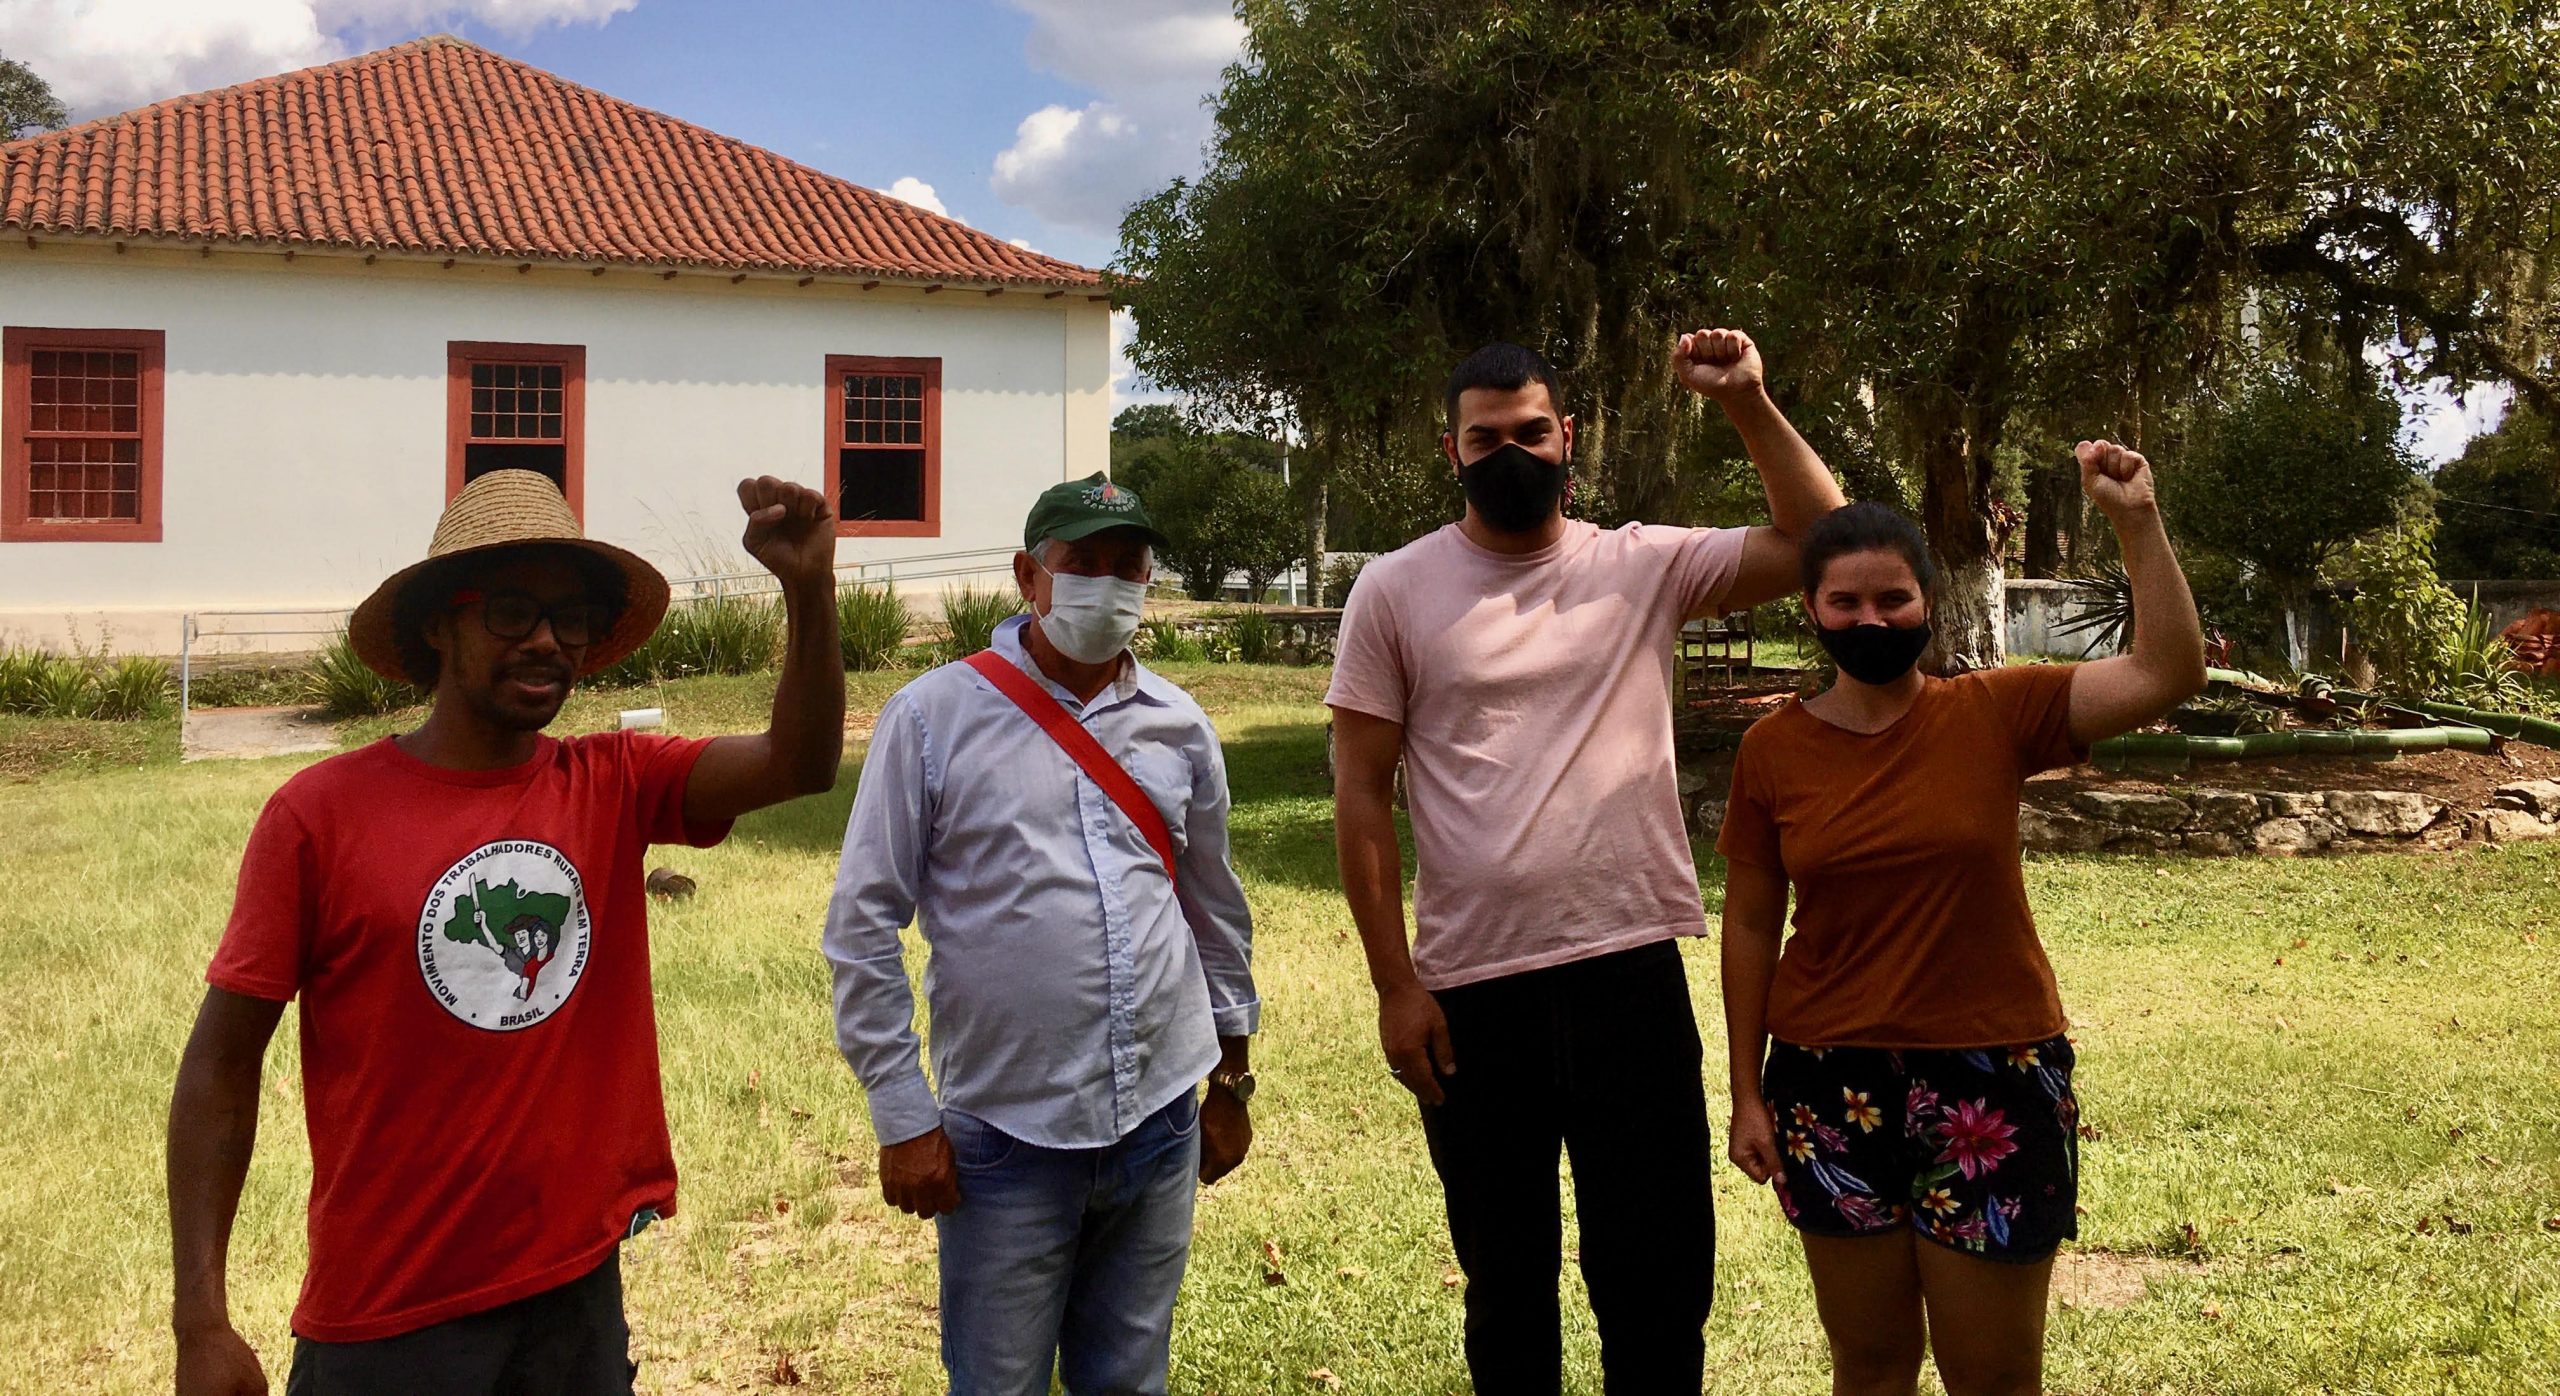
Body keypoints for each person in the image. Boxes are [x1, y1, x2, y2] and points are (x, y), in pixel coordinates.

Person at [168, 468, 847, 1396]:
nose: (547, 642)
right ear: (438, 624)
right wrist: (200, 1319)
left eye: (573, 621)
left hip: (572, 1298)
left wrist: (808, 589)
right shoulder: (318, 816)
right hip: (390, 1319)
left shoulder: (613, 782)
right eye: (514, 610)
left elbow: (799, 763)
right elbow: (220, 1062)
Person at [1328, 330, 1847, 1393]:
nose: (1511, 452)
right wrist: (1395, 987)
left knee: (1656, 1282)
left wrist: (1747, 399)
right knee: (1506, 1285)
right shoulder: (1392, 590)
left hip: (1627, 974)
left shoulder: (1639, 564)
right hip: (1473, 993)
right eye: (1486, 438)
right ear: (1451, 449)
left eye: (1532, 432)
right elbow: (1360, 800)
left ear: (1569, 439)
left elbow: (1828, 539)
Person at [1716, 442, 2207, 1396]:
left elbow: (2166, 671)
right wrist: (1745, 1091)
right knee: (1870, 1365)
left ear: (1927, 604)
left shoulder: (1997, 711)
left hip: (1993, 1073)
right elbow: (1748, 924)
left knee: (1993, 1374)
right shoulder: (1771, 751)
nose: (1870, 619)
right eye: (1845, 602)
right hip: (1827, 1084)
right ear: (1810, 610)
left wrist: (2136, 519)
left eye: (1892, 599)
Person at [824, 473, 1259, 1396]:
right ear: (1030, 576)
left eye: (1127, 567)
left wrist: (1230, 1080)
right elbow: (862, 923)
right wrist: (904, 1116)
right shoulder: (934, 718)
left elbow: (1216, 914)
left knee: (1131, 1378)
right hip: (1006, 1141)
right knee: (999, 1384)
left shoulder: (1180, 726)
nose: (1108, 586)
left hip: (1160, 1123)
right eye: (1083, 565)